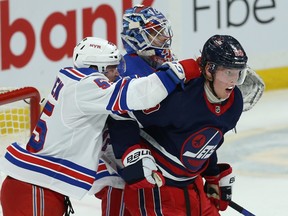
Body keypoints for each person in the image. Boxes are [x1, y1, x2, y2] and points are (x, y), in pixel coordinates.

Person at [0, 36, 195, 216]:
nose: (116, 73)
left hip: (37, 188)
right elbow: (138, 95)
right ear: (95, 68)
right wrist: (178, 71)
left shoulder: (75, 85)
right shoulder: (86, 86)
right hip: (35, 189)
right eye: (111, 68)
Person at [108, 34, 251, 216]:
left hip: (193, 186)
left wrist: (213, 175)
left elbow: (208, 138)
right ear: (209, 70)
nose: (233, 80)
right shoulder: (180, 98)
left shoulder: (234, 103)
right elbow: (121, 113)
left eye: (238, 73)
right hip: (157, 189)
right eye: (228, 72)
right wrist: (130, 152)